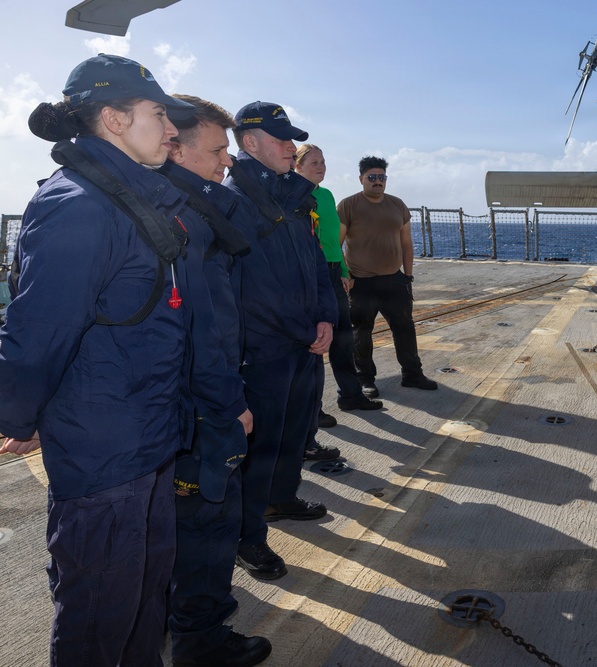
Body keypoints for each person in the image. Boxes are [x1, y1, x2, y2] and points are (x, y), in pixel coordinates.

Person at [0, 54, 198, 665]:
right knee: (98, 616)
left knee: (142, 600)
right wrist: (16, 415)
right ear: (113, 119)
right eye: (160, 115)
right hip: (103, 449)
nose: (172, 131)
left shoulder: (130, 196)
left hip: (145, 436)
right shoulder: (79, 204)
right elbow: (39, 328)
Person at [158, 95, 271, 667]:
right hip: (199, 406)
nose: (227, 162)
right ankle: (201, 643)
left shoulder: (169, 206)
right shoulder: (188, 217)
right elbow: (202, 327)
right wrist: (230, 403)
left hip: (173, 402)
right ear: (173, 145)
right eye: (219, 149)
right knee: (206, 526)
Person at [223, 101, 339, 581]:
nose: (292, 148)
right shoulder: (237, 201)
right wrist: (303, 328)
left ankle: (283, 498)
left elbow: (315, 265)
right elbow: (253, 287)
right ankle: (247, 538)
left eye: (292, 140)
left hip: (302, 342)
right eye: (281, 140)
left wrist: (327, 319)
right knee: (257, 448)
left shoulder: (293, 198)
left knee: (295, 430)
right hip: (265, 347)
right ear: (250, 143)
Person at [294, 144, 383, 435]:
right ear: (297, 166)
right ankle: (311, 409)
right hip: (309, 276)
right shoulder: (293, 196)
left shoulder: (327, 195)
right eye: (314, 162)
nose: (321, 166)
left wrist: (343, 270)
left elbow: (334, 240)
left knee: (343, 338)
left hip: (332, 273)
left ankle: (350, 395)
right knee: (314, 343)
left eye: (323, 162)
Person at [338, 156, 437, 397]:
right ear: (361, 179)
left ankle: (412, 374)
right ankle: (365, 380)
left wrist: (408, 276)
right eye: (372, 177)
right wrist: (345, 275)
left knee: (405, 329)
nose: (377, 182)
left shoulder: (397, 205)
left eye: (382, 177)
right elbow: (336, 244)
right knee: (361, 334)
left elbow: (406, 243)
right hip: (361, 282)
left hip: (394, 280)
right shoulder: (348, 205)